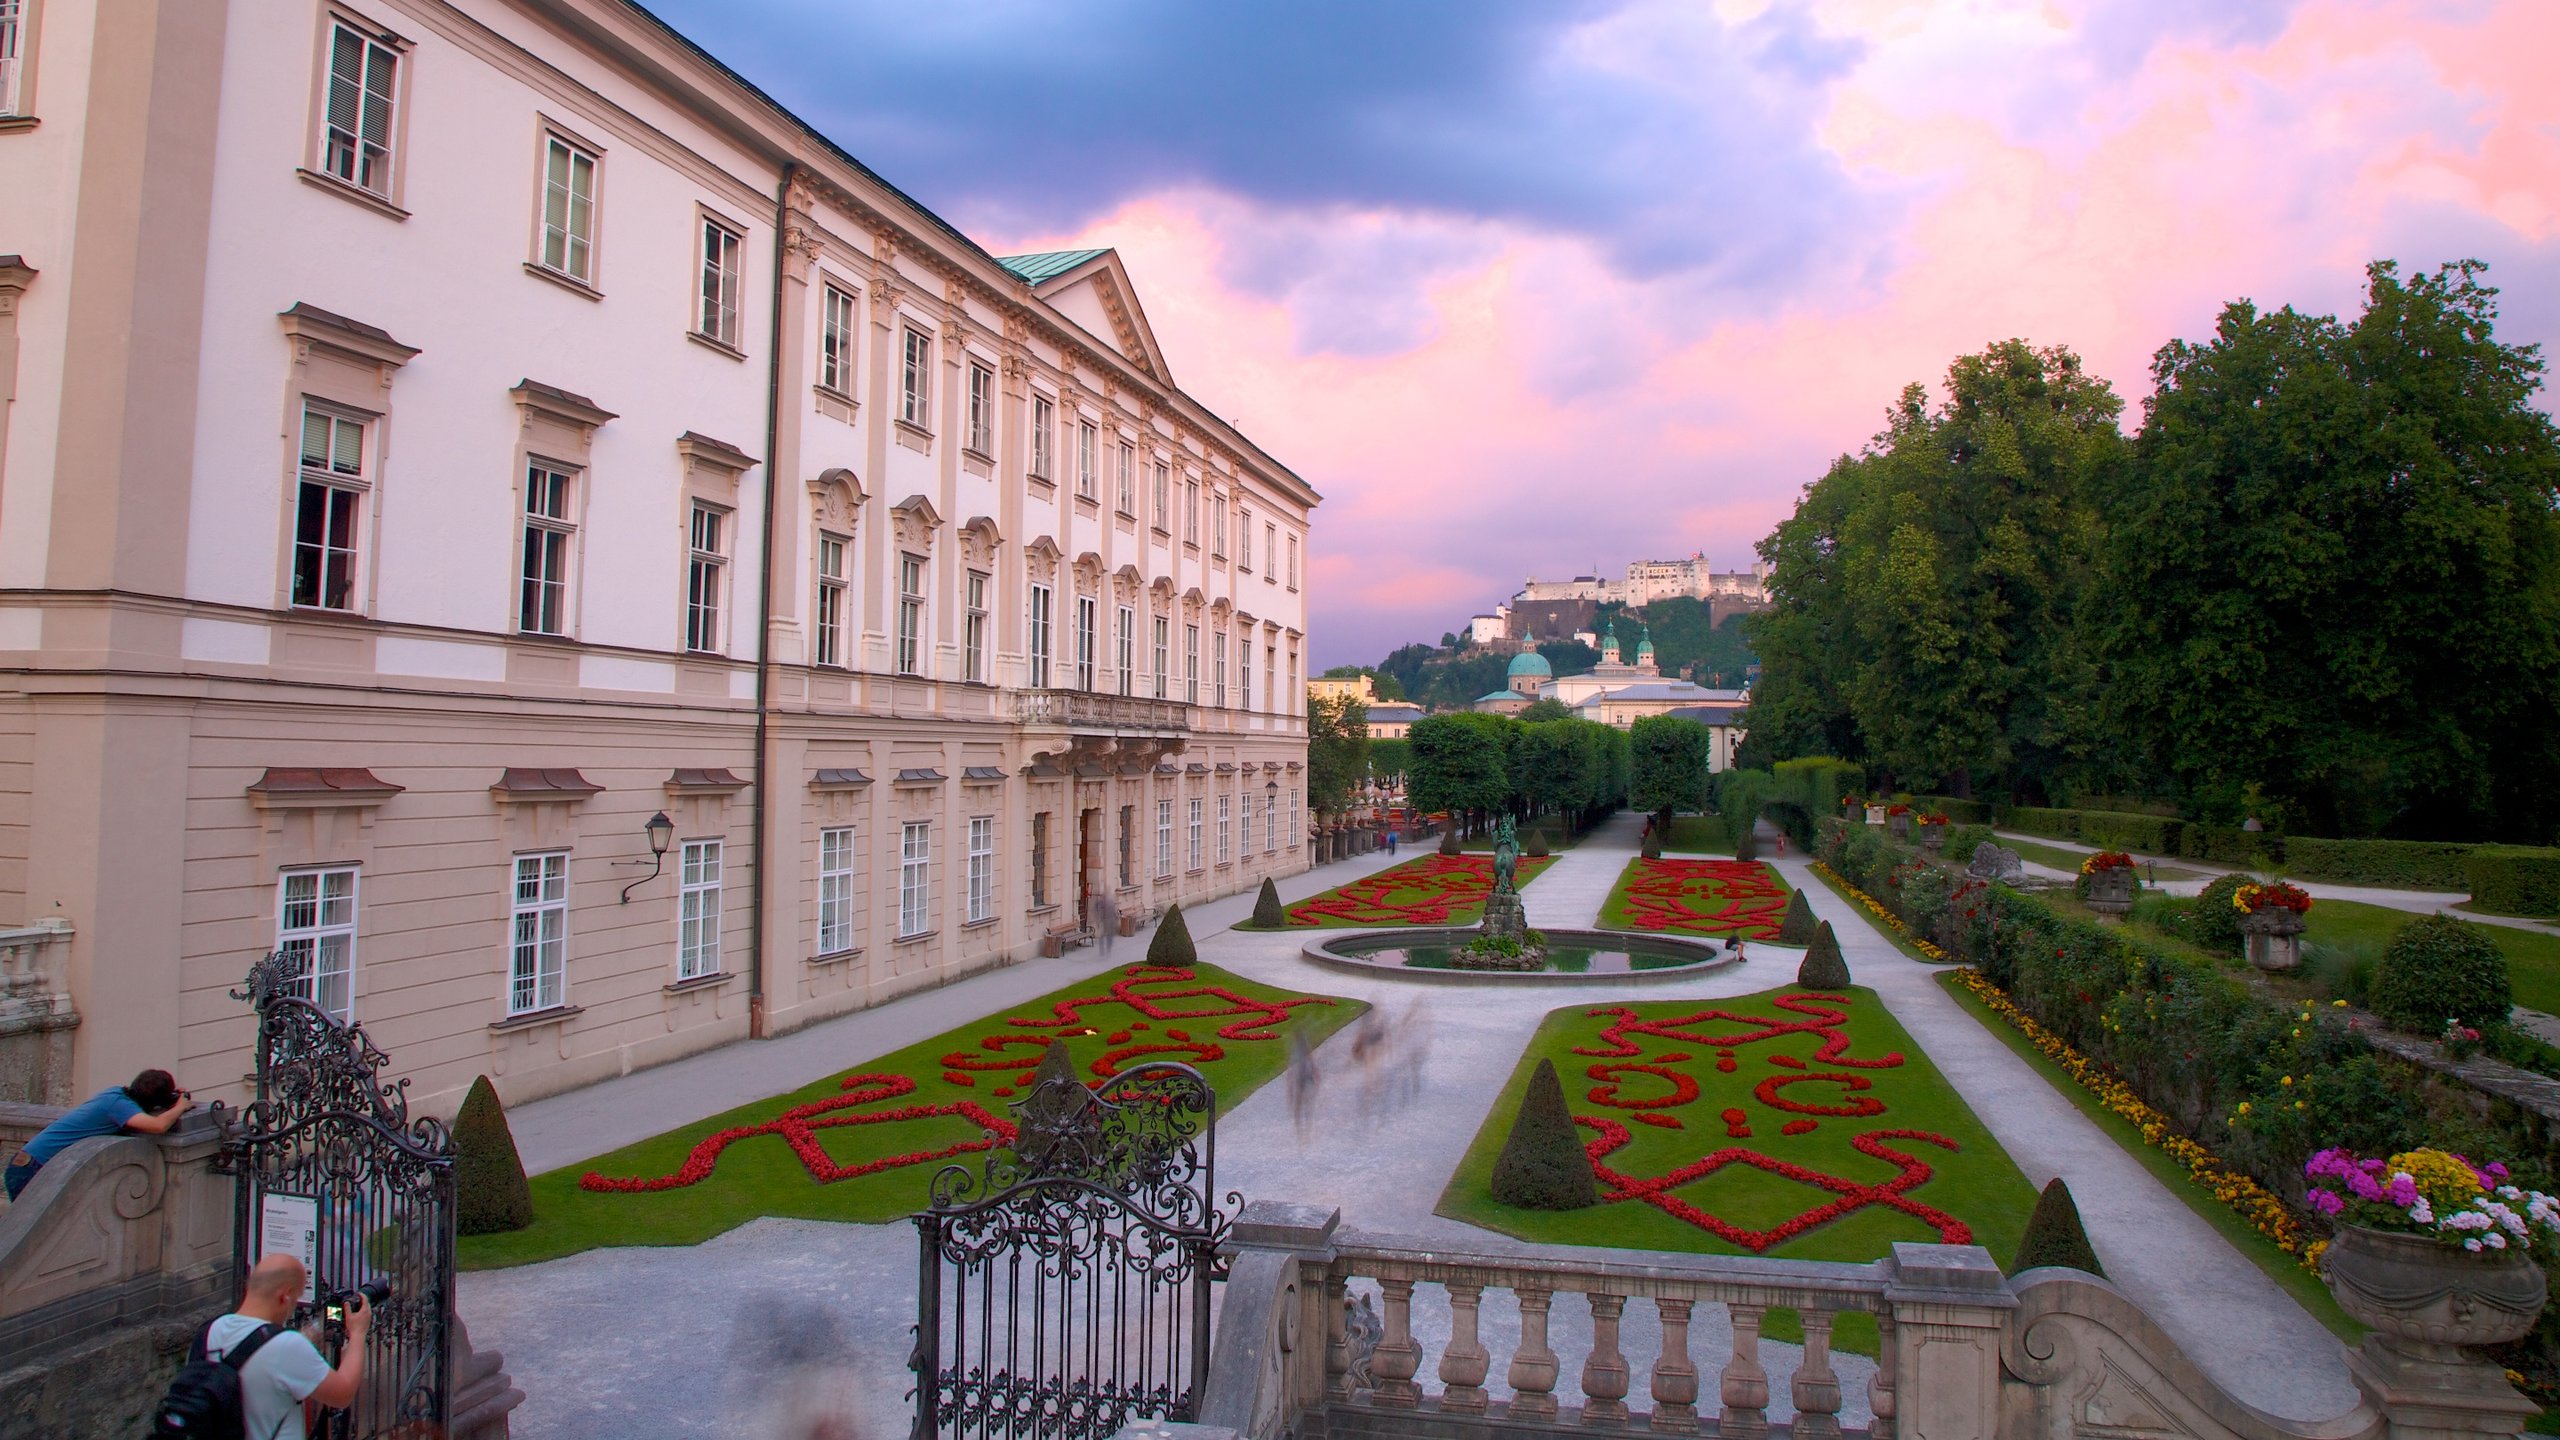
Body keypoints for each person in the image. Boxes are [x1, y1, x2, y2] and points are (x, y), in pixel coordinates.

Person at [205, 1252, 369, 1440]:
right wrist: (358, 1332)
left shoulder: (210, 1332)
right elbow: (342, 1393)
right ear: (285, 1296)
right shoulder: (287, 1347)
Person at [5, 1068, 194, 1200]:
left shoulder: (115, 1093)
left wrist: (170, 1099)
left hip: (27, 1164)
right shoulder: (119, 1107)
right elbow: (158, 1126)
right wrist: (180, 1107)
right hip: (33, 1169)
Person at [1090, 889, 1119, 958]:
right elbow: (1095, 910)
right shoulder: (1100, 903)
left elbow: (1114, 911)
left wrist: (1115, 920)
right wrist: (1097, 919)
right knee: (1102, 936)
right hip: (1103, 921)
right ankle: (1102, 950)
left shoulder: (1110, 902)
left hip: (1110, 921)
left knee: (1109, 936)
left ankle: (1108, 949)